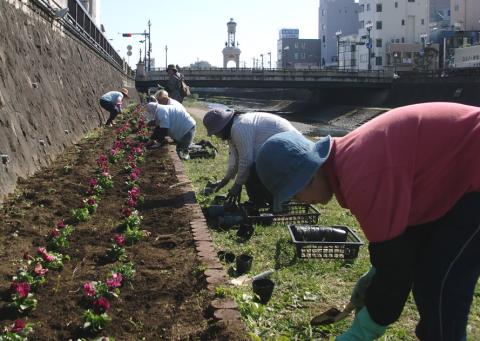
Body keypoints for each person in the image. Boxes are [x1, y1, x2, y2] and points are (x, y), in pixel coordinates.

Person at [254, 102, 480, 340]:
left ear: (307, 177)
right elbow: (405, 241)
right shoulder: (351, 158)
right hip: (462, 177)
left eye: (295, 194)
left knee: (440, 280)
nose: (301, 201)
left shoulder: (362, 178)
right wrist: (375, 273)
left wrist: (362, 332)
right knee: (430, 274)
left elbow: (395, 275)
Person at [203, 109, 301, 206]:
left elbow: (246, 160)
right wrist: (226, 179)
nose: (216, 136)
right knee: (250, 170)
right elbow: (235, 158)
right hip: (281, 151)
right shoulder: (233, 129)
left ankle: (278, 202)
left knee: (252, 171)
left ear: (222, 127)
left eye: (216, 132)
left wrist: (237, 185)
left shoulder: (239, 127)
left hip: (293, 152)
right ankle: (259, 202)